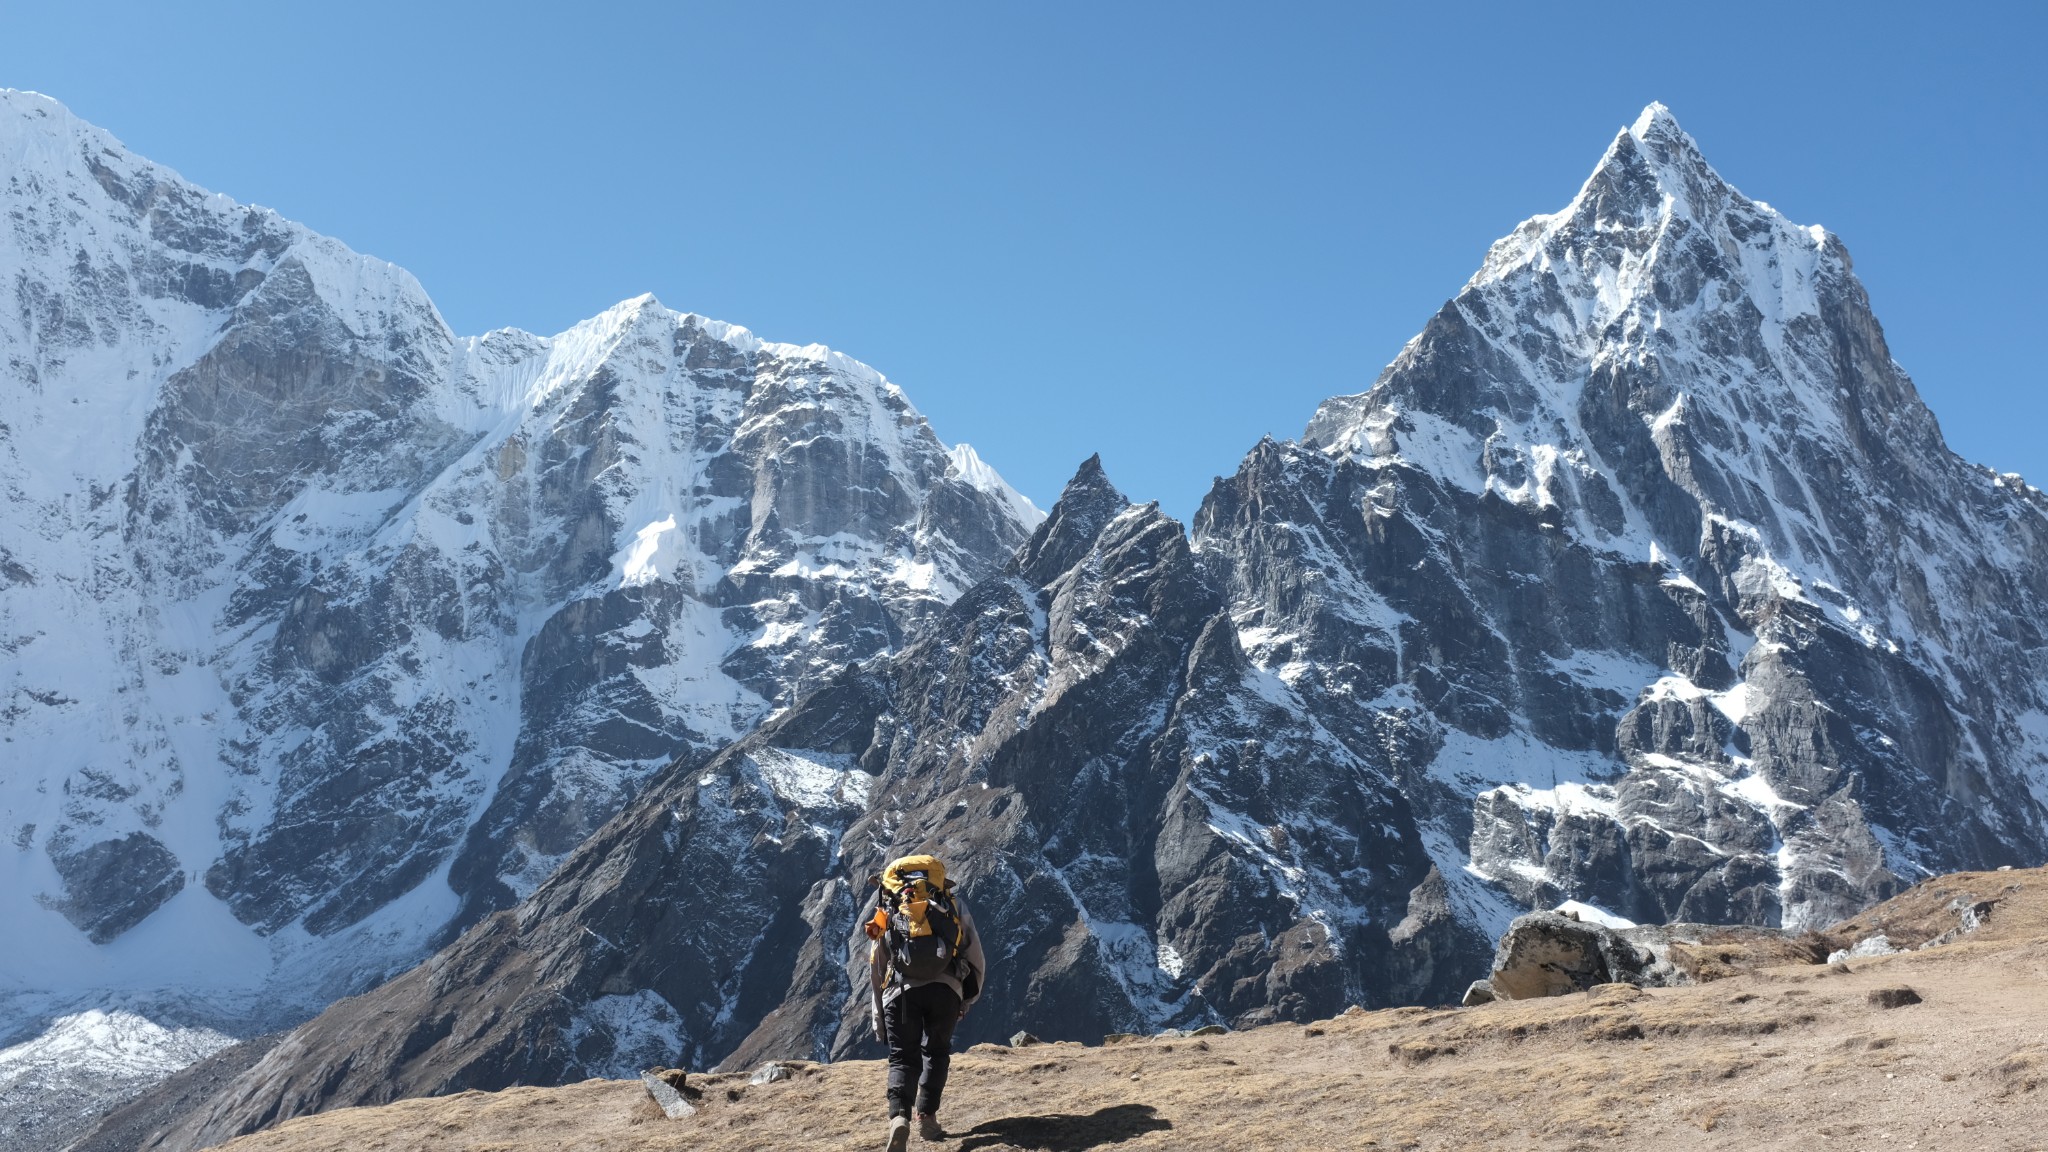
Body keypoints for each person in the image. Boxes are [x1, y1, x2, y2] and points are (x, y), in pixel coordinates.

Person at [866, 853, 987, 1150]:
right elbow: (974, 955)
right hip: (946, 990)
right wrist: (967, 996)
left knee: (902, 1058)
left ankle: (899, 1117)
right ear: (939, 881)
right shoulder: (951, 905)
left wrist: (879, 1016)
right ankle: (928, 1119)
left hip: (900, 993)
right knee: (936, 1051)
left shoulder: (889, 908)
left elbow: (877, 963)